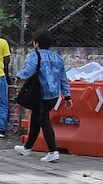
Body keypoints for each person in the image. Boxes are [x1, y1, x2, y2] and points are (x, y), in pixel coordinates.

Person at [13, 29, 70, 163]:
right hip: (54, 95)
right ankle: (27, 147)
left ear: (36, 43)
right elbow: (63, 77)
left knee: (44, 121)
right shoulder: (58, 57)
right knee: (36, 119)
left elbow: (29, 71)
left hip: (40, 94)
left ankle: (53, 151)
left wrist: (19, 76)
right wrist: (67, 95)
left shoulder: (35, 55)